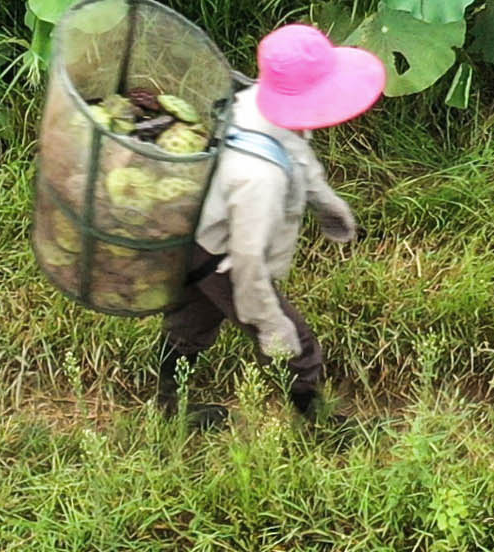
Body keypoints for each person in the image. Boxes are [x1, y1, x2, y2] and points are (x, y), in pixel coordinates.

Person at [158, 21, 380, 426]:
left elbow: (295, 153)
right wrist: (271, 324)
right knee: (295, 345)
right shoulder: (258, 176)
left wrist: (330, 208)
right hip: (221, 253)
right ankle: (318, 423)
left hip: (198, 232)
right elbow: (247, 262)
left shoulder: (253, 103)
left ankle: (171, 408)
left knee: (191, 321)